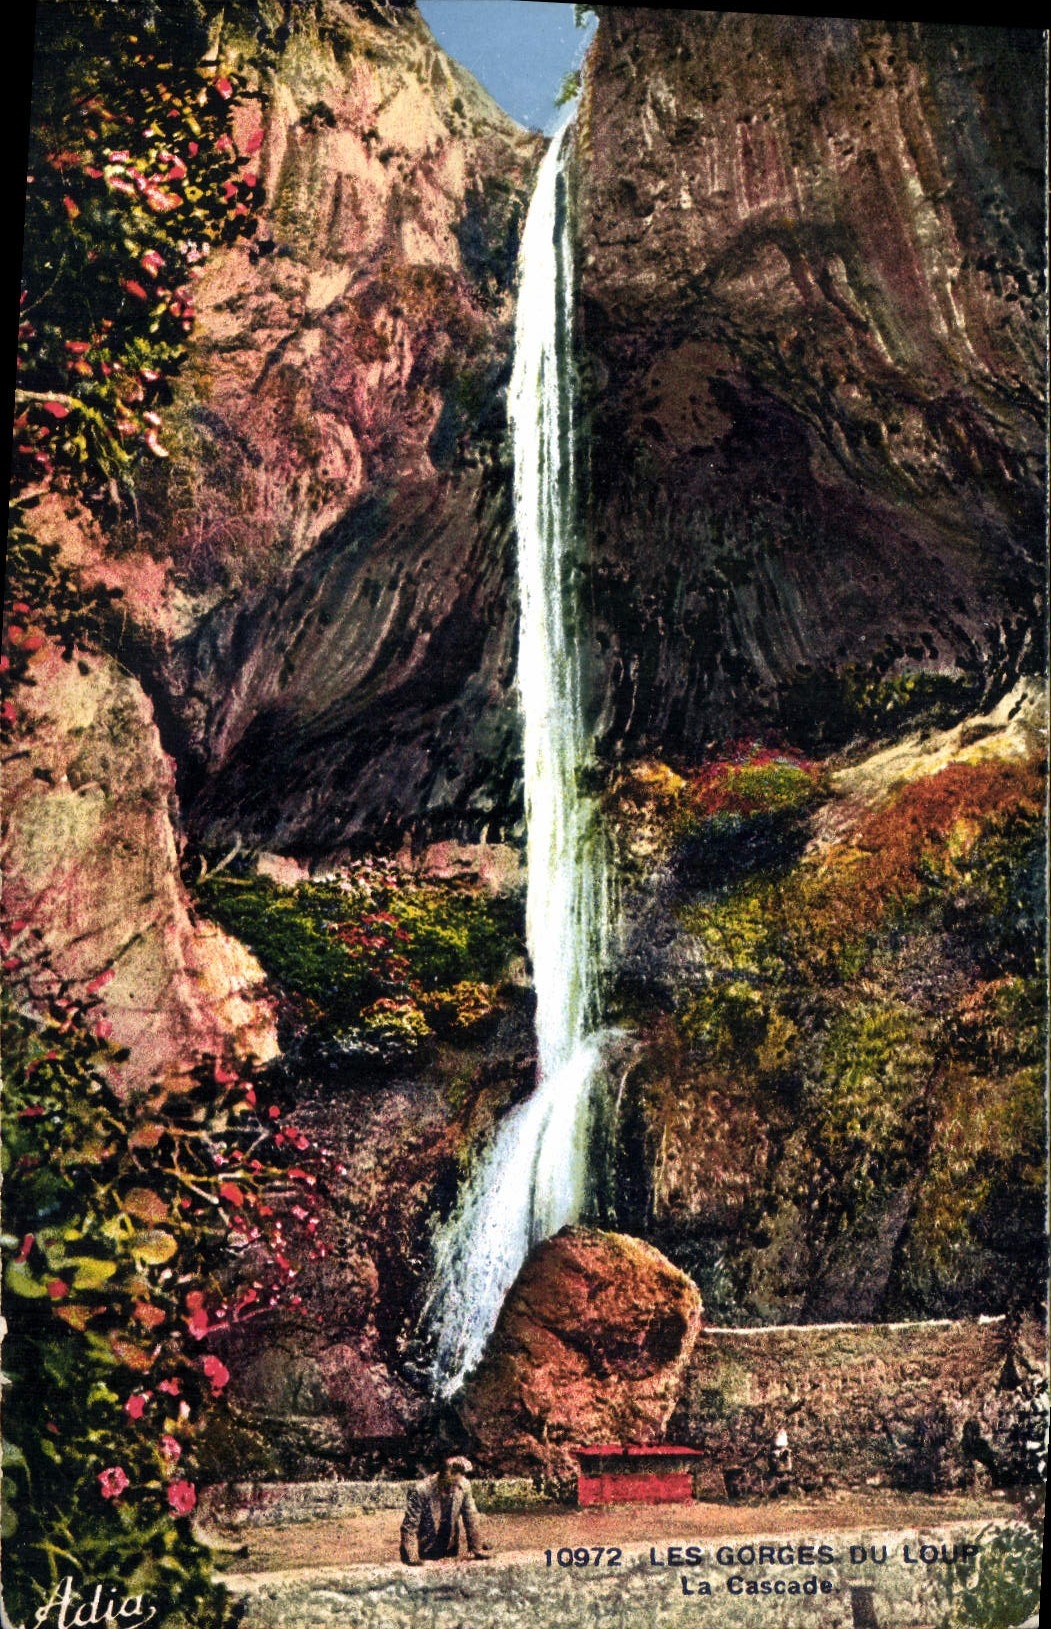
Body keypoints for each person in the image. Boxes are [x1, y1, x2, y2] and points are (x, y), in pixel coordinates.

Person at [400, 1455, 491, 1565]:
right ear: (445, 1474)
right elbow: (409, 1526)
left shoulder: (463, 1485)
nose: (454, 1487)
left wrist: (476, 1548)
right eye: (452, 1484)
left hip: (449, 1547)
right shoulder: (421, 1490)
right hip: (423, 1549)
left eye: (458, 1482)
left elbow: (471, 1517)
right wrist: (413, 1558)